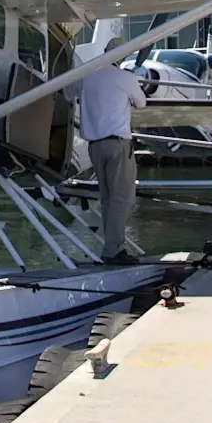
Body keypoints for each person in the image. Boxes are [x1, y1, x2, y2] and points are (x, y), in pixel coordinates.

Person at [63, 36, 146, 264]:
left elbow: (67, 94)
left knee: (107, 198)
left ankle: (111, 245)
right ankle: (113, 251)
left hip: (94, 147)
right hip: (118, 144)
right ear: (123, 56)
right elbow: (141, 103)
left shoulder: (86, 75)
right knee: (121, 198)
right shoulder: (125, 77)